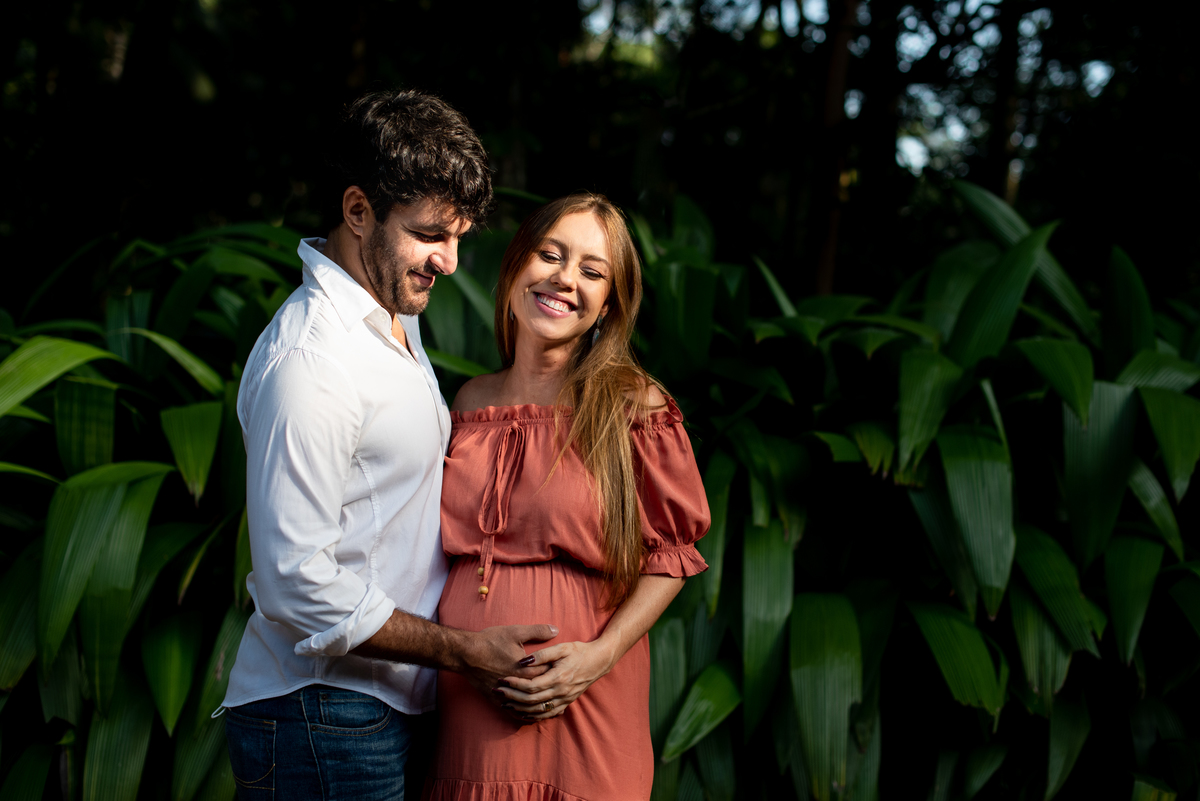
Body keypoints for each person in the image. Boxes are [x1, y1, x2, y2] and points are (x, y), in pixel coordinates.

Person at [221, 90, 558, 801]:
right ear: (357, 211)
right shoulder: (312, 360)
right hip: (321, 711)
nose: (451, 261)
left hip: (377, 707)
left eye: (460, 236)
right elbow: (293, 581)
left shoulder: (388, 311)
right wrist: (462, 650)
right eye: (433, 233)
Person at [427, 193, 711, 800]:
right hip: (466, 703)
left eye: (591, 271)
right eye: (549, 255)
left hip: (584, 702)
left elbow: (672, 555)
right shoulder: (467, 404)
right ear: (516, 267)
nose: (563, 279)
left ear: (609, 304)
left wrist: (599, 657)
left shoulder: (634, 405)